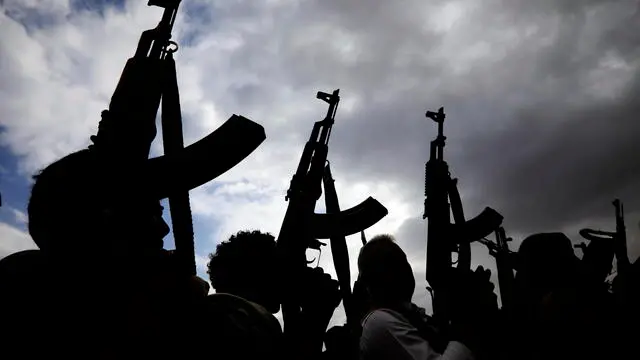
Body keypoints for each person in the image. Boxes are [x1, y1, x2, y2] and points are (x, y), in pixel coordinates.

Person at [356, 234, 496, 360]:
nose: (405, 269)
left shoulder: (411, 316)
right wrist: (469, 314)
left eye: (404, 261)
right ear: (373, 279)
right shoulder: (380, 322)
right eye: (393, 264)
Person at [206, 230, 341, 359]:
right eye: (276, 266)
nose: (283, 275)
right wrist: (316, 317)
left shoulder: (220, 317)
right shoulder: (236, 323)